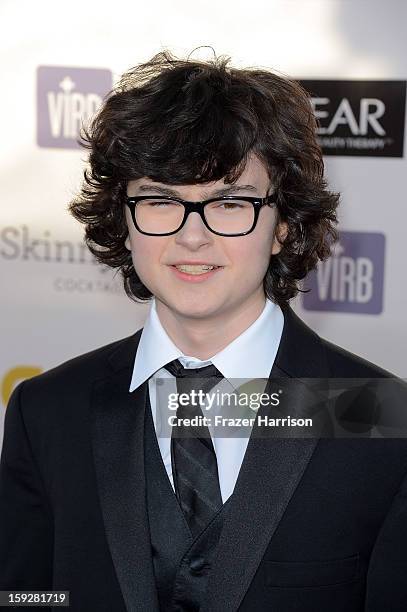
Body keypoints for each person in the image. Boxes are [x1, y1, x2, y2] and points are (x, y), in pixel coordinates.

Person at [1, 50, 406, 612]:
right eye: (162, 200)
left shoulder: (382, 418)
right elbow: (25, 596)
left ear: (283, 224)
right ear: (124, 217)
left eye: (231, 202)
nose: (193, 237)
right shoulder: (47, 411)